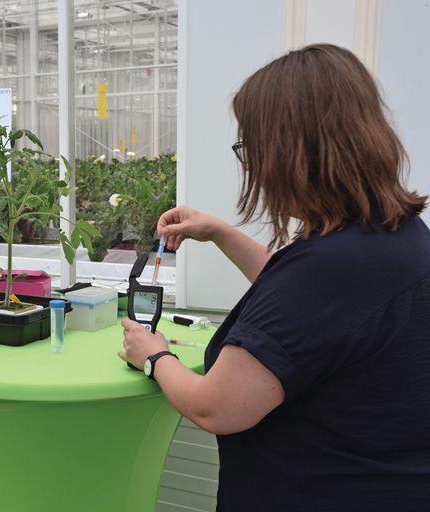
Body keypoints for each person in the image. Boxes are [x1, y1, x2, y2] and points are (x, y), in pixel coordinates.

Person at [119, 43, 430, 512]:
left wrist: (154, 356)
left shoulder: (330, 269)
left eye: (250, 148)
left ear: (291, 151)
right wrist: (220, 232)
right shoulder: (394, 236)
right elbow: (315, 318)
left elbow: (215, 406)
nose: (248, 166)